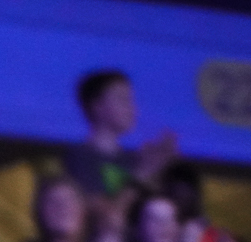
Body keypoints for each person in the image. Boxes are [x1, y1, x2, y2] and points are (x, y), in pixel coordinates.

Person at [60, 69, 177, 213]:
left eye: (131, 100)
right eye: (122, 99)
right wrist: (142, 175)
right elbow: (105, 216)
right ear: (97, 106)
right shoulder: (80, 157)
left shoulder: (133, 159)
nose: (131, 107)